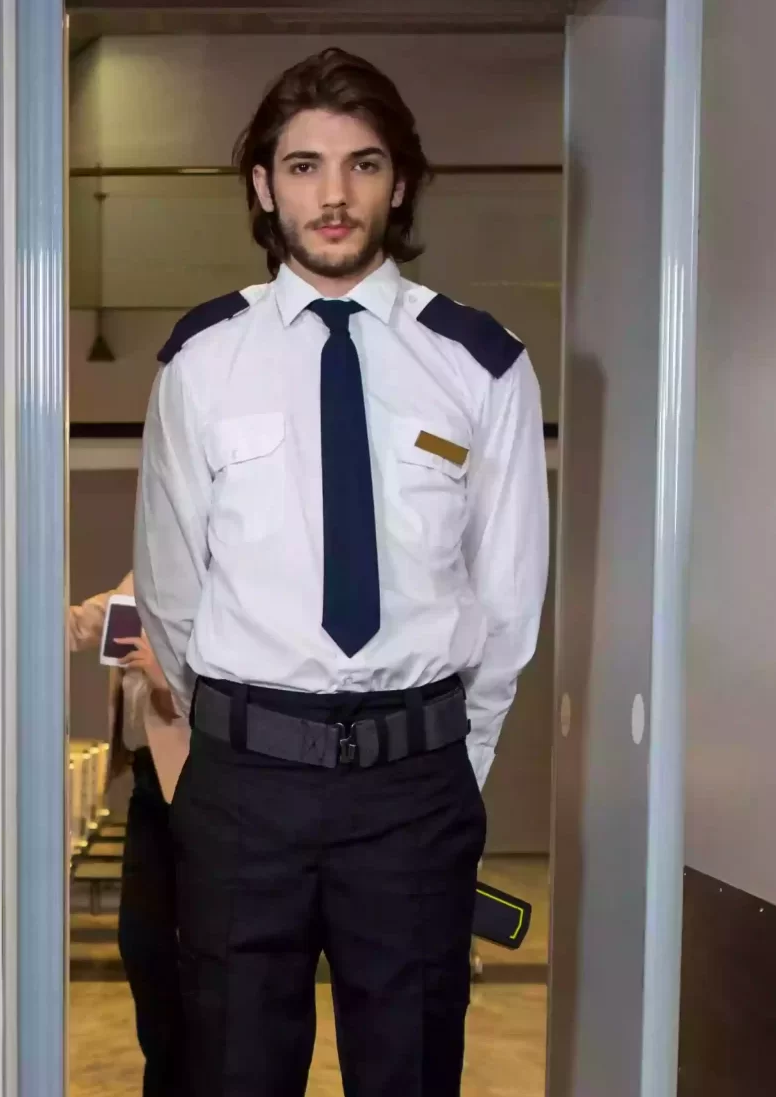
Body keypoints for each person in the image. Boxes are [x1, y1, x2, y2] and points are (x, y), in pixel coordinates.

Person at [133, 49, 548, 1097]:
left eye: (362, 165)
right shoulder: (201, 360)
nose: (333, 193)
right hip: (244, 790)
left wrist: (455, 759)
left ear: (398, 183)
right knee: (229, 1069)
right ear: (264, 187)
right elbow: (170, 588)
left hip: (415, 785)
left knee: (409, 1069)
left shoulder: (481, 361)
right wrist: (219, 760)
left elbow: (506, 599)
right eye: (305, 165)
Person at [68, 573, 190, 1097]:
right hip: (147, 783)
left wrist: (165, 679)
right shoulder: (138, 582)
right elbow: (75, 626)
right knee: (141, 942)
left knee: (198, 950)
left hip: (198, 785)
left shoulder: (210, 587)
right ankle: (164, 1074)